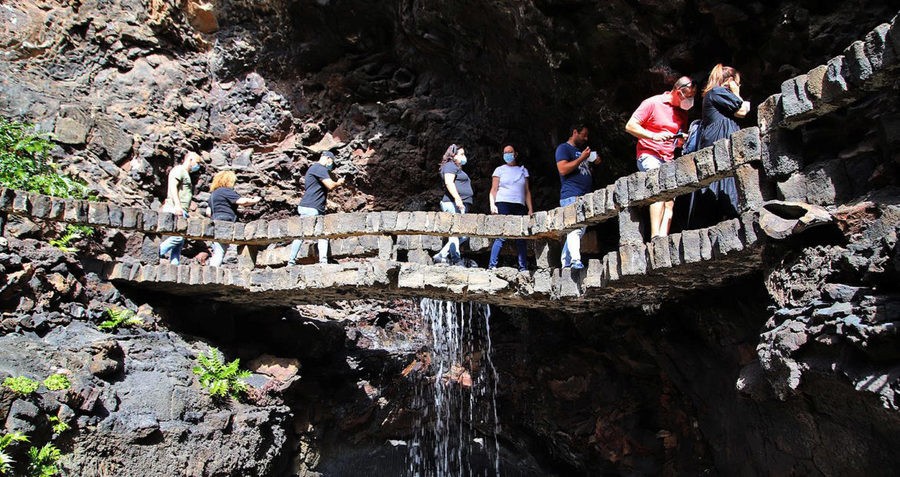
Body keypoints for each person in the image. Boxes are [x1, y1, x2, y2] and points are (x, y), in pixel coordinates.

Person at [625, 76, 697, 238]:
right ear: (678, 92)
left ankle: (664, 237)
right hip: (649, 154)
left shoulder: (682, 113)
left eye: (693, 97)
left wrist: (681, 139)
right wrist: (653, 136)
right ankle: (655, 235)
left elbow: (678, 142)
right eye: (688, 96)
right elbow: (630, 126)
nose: (690, 100)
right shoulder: (653, 103)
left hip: (668, 157)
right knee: (659, 189)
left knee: (670, 199)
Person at [685, 64, 751, 229]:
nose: (739, 85)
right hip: (720, 141)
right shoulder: (717, 92)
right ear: (730, 80)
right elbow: (742, 111)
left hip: (715, 140)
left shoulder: (714, 94)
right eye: (737, 82)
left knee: (719, 182)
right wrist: (736, 91)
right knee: (721, 181)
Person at [287, 151, 346, 265]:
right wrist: (339, 182)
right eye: (332, 163)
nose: (331, 166)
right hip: (312, 207)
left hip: (310, 206)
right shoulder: (320, 168)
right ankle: (295, 262)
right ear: (328, 159)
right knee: (314, 234)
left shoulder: (313, 168)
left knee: (308, 234)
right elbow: (330, 185)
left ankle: (293, 261)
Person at [556, 124, 601, 270]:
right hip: (571, 195)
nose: (586, 138)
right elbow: (563, 169)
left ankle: (566, 262)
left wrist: (593, 161)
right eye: (584, 135)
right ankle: (575, 260)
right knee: (574, 229)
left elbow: (583, 171)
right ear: (575, 132)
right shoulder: (563, 148)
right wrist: (582, 158)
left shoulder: (580, 152)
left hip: (584, 196)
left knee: (579, 231)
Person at [488, 145, 533, 271]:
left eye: (510, 152)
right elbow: (493, 189)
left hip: (519, 204)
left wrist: (530, 209)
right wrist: (492, 204)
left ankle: (523, 267)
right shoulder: (499, 170)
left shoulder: (523, 170)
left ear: (515, 154)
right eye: (505, 152)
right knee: (502, 234)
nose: (507, 154)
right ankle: (492, 265)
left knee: (521, 236)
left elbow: (527, 191)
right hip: (503, 203)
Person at [207, 170, 261, 267]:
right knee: (220, 251)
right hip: (225, 221)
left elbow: (208, 212)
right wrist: (254, 200)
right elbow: (242, 201)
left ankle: (211, 268)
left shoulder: (213, 194)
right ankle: (212, 270)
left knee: (218, 248)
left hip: (215, 221)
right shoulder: (225, 191)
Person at [159, 151, 203, 265]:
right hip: (175, 207)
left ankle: (174, 266)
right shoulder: (179, 170)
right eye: (197, 162)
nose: (198, 166)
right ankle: (157, 253)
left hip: (182, 209)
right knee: (178, 238)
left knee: (179, 242)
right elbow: (173, 187)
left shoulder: (186, 173)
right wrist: (177, 206)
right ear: (190, 159)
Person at [434, 144, 473, 265]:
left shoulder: (456, 168)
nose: (464, 157)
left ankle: (441, 255)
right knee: (455, 232)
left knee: (464, 235)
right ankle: (456, 260)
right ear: (453, 155)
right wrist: (457, 199)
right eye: (461, 154)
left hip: (460, 204)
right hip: (452, 203)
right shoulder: (450, 166)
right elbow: (449, 183)